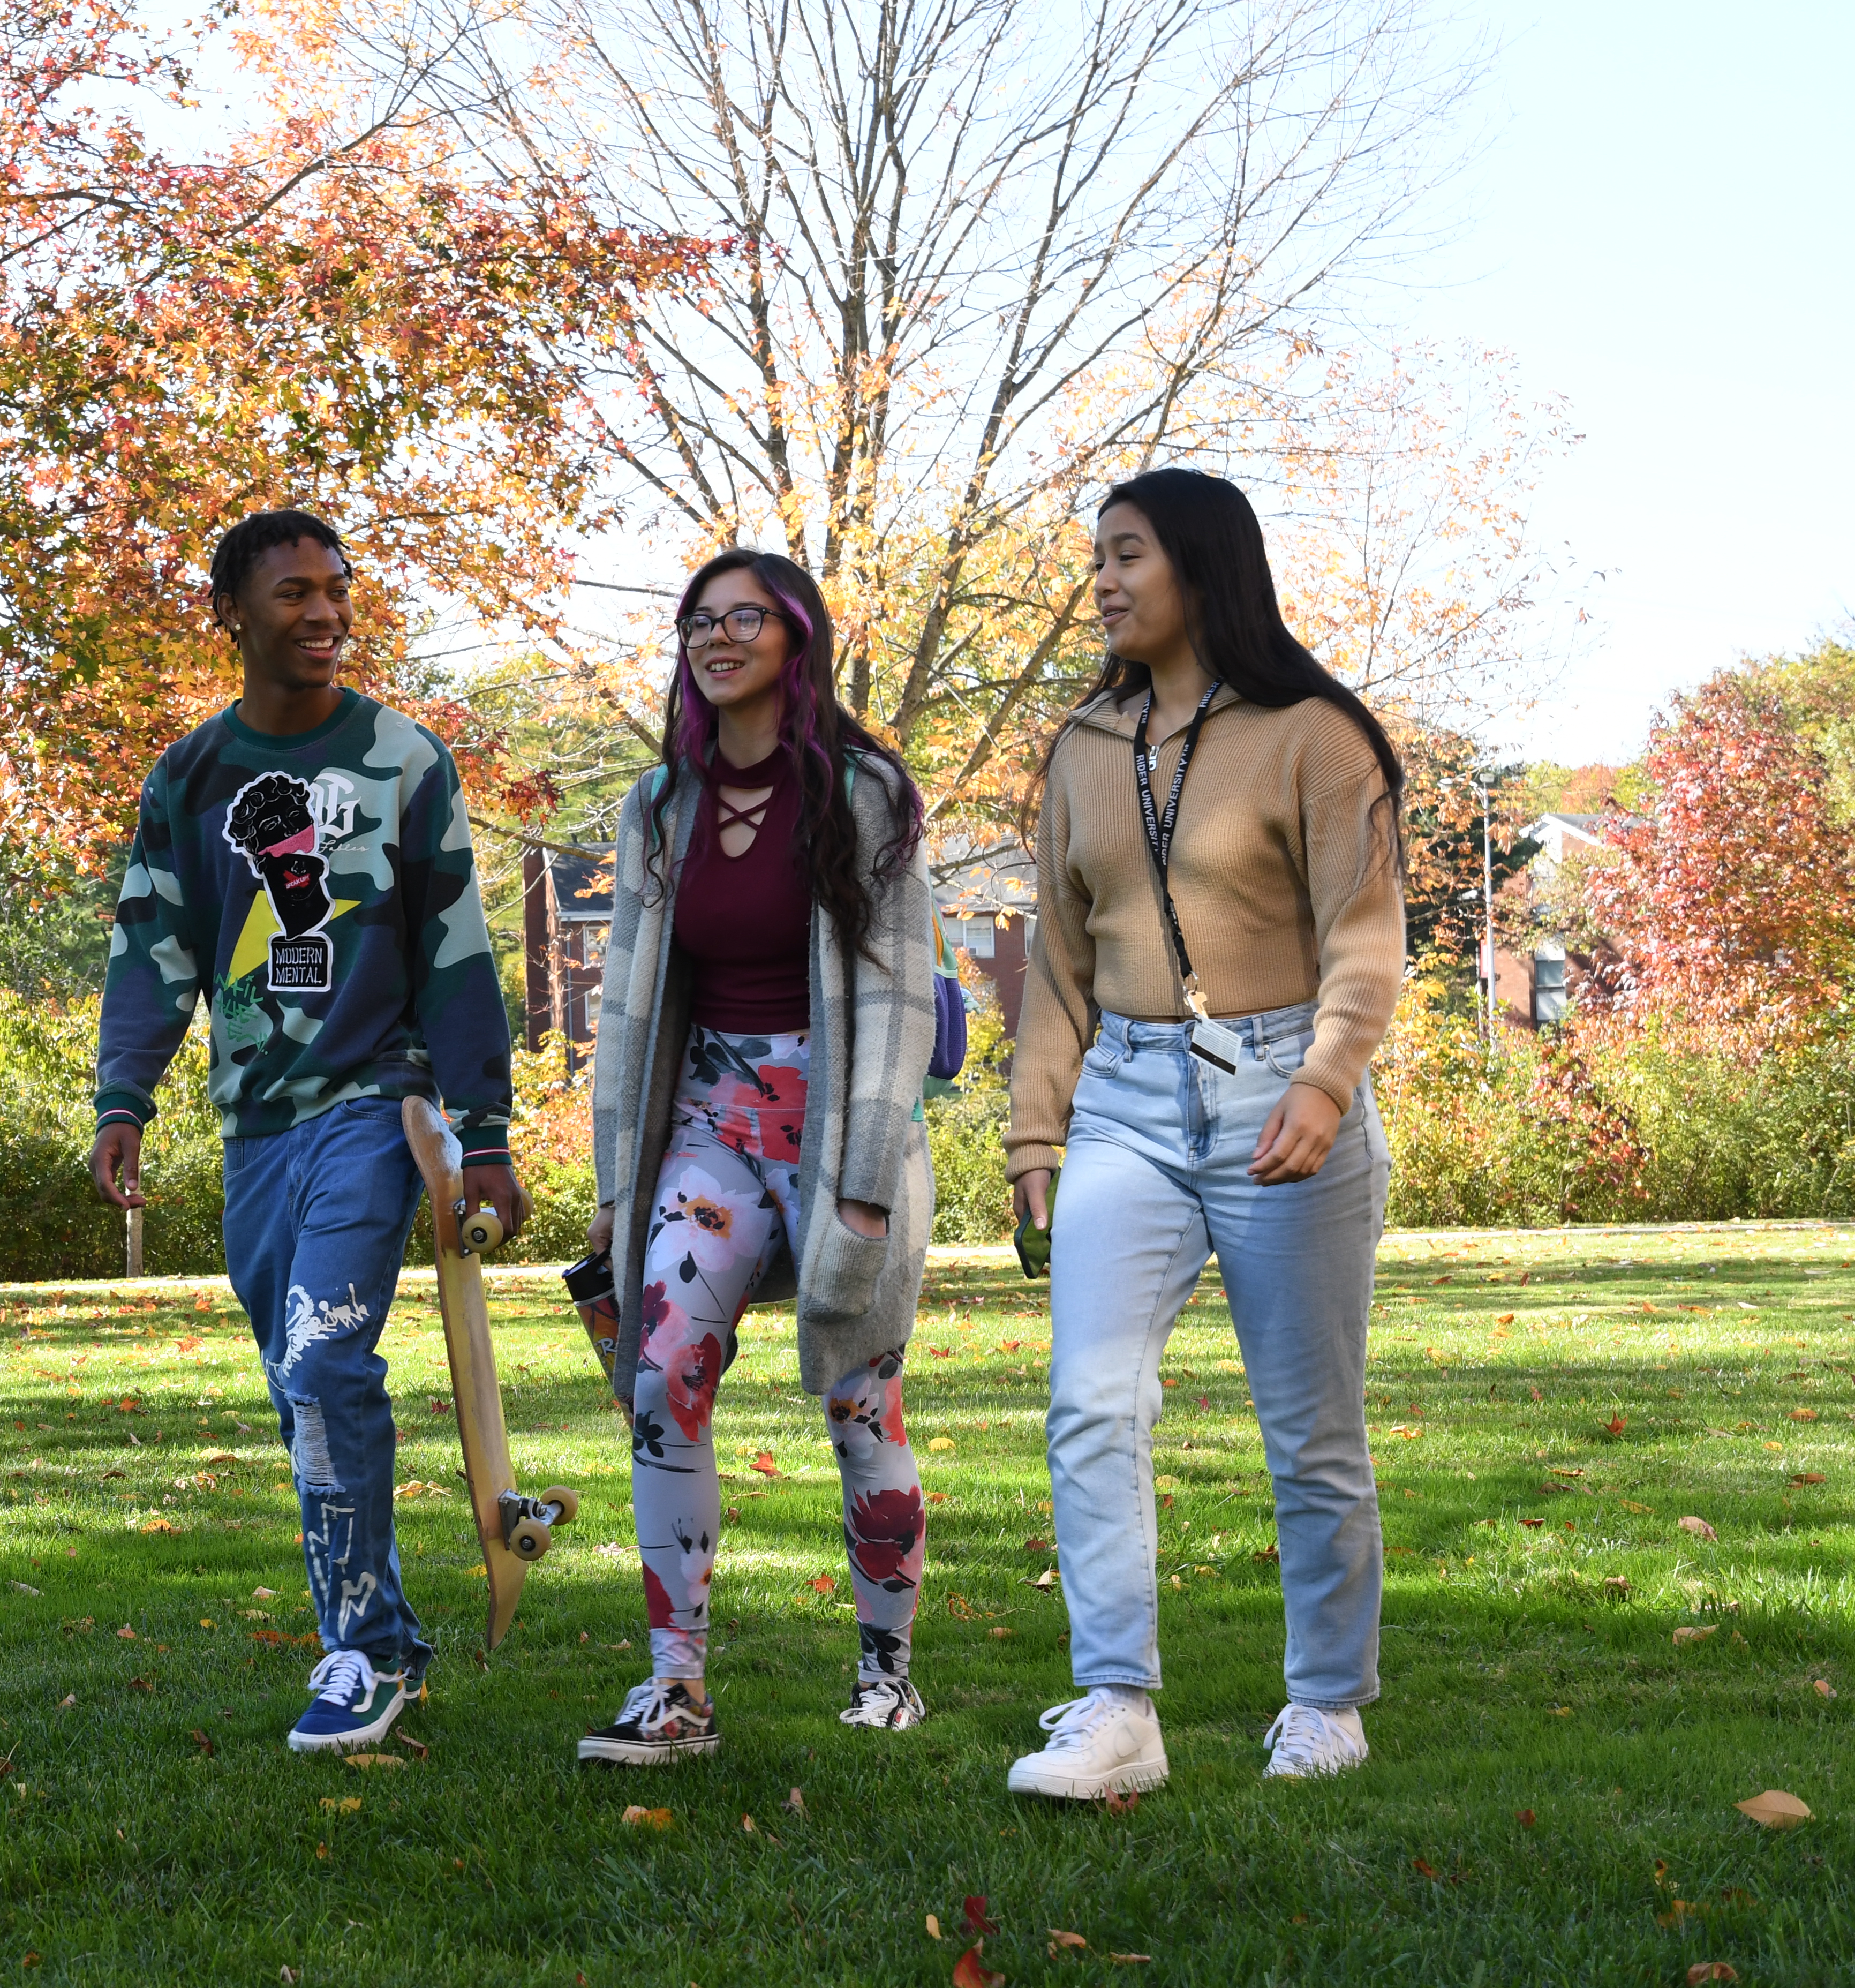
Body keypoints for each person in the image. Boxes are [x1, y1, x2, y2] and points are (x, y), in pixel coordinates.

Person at [89, 508, 526, 1756]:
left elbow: (456, 953)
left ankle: (364, 1654)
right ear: (231, 613)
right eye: (292, 593)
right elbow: (152, 945)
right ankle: (382, 1629)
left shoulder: (402, 759)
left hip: (377, 1108)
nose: (325, 611)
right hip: (255, 1127)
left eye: (337, 588)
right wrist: (125, 1096)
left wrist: (483, 1131)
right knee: (301, 1387)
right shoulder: (190, 776)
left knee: (327, 1362)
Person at [1001, 466, 1407, 1800]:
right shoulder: (1082, 746)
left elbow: (1364, 935)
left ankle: (1329, 1697)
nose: (1104, 581)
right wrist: (1035, 1141)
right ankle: (1119, 1704)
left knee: (1311, 1429)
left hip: (1280, 1085)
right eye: (1098, 558)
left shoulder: (1313, 735)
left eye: (1127, 555)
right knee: (1089, 1398)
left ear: (1202, 567)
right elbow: (1058, 965)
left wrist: (1328, 1078)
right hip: (1121, 1091)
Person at [577, 547, 939, 1766]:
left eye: (746, 618)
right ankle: (675, 1685)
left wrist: (869, 1182)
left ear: (796, 637)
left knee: (857, 1401)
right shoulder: (656, 806)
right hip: (707, 1123)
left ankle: (887, 1673)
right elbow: (627, 1006)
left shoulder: (866, 790)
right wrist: (613, 1195)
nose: (717, 638)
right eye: (699, 621)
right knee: (660, 1378)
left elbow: (895, 1000)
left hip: (845, 1124)